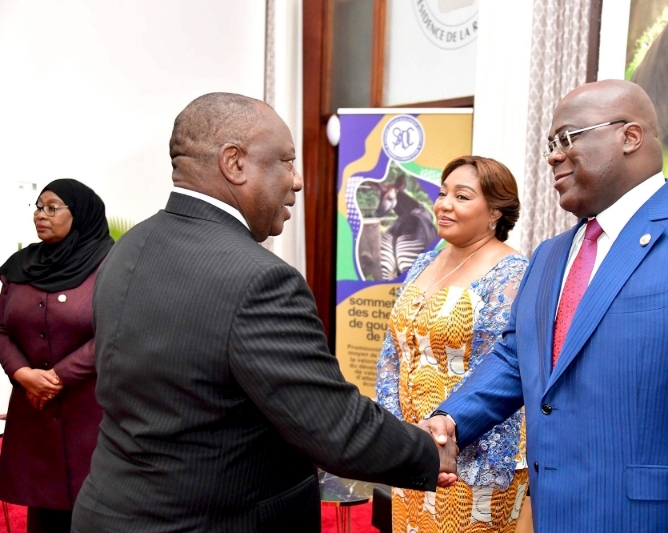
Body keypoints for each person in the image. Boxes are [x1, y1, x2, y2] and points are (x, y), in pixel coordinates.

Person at [71, 92, 457, 533]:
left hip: (107, 511)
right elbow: (333, 427)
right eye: (285, 162)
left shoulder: (128, 248)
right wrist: (430, 450)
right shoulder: (260, 279)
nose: (296, 181)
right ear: (234, 163)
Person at [422, 80, 668, 532]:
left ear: (630, 137)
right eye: (549, 144)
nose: (553, 156)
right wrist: (450, 421)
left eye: (567, 138)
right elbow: (516, 358)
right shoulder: (549, 255)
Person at [376, 156, 529, 533]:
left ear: (494, 211)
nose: (444, 204)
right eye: (443, 193)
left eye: (461, 196)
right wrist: (398, 433)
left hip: (474, 462)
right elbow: (393, 352)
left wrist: (446, 436)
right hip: (413, 450)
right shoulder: (425, 261)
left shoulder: (512, 273)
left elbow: (504, 368)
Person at [0, 179, 115, 533]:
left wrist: (58, 376)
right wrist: (23, 373)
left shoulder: (110, 264)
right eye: (38, 207)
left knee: (92, 512)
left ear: (78, 214)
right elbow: (1, 328)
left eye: (53, 208)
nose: (41, 215)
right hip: (34, 410)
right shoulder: (20, 266)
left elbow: (115, 330)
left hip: (90, 414)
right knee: (42, 513)